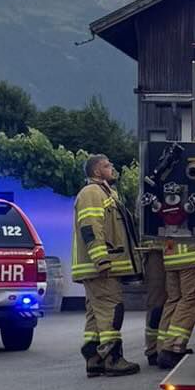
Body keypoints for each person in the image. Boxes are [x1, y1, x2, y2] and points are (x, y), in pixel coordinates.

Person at [146, 147, 195, 370]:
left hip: (172, 257)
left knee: (174, 301)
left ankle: (161, 348)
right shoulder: (191, 198)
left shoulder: (166, 196)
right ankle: (172, 348)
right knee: (189, 302)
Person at [71, 154, 140, 378]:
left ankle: (94, 356)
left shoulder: (104, 193)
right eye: (106, 165)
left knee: (95, 313)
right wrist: (101, 259)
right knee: (112, 308)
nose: (112, 168)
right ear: (96, 172)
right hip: (100, 267)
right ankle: (113, 358)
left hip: (96, 267)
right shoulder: (92, 193)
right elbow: (90, 227)